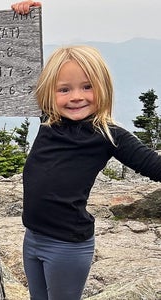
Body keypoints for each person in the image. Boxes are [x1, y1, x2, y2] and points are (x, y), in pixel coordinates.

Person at [11, 1, 161, 300]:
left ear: (103, 88)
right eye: (64, 89)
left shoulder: (107, 134)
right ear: (50, 93)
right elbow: (17, 66)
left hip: (68, 245)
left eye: (87, 87)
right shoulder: (48, 120)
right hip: (32, 238)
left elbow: (153, 165)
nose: (76, 97)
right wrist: (22, 21)